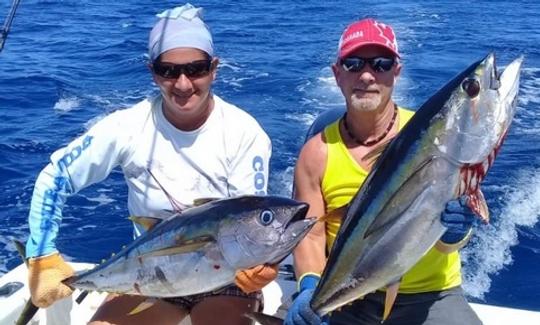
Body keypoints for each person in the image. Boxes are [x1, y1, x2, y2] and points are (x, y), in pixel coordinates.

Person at [25, 4, 278, 325]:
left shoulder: (244, 132)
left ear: (214, 68)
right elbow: (55, 176)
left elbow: (249, 220)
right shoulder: (126, 127)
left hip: (224, 281)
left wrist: (262, 268)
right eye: (168, 71)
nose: (183, 84)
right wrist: (41, 252)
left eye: (196, 68)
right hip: (149, 275)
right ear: (152, 72)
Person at [285, 18, 482, 325]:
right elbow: (311, 236)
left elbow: (446, 242)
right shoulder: (316, 153)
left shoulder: (434, 140)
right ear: (337, 74)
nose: (366, 75)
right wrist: (310, 286)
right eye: (353, 64)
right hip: (350, 298)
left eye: (381, 64)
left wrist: (458, 229)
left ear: (396, 72)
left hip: (430, 295)